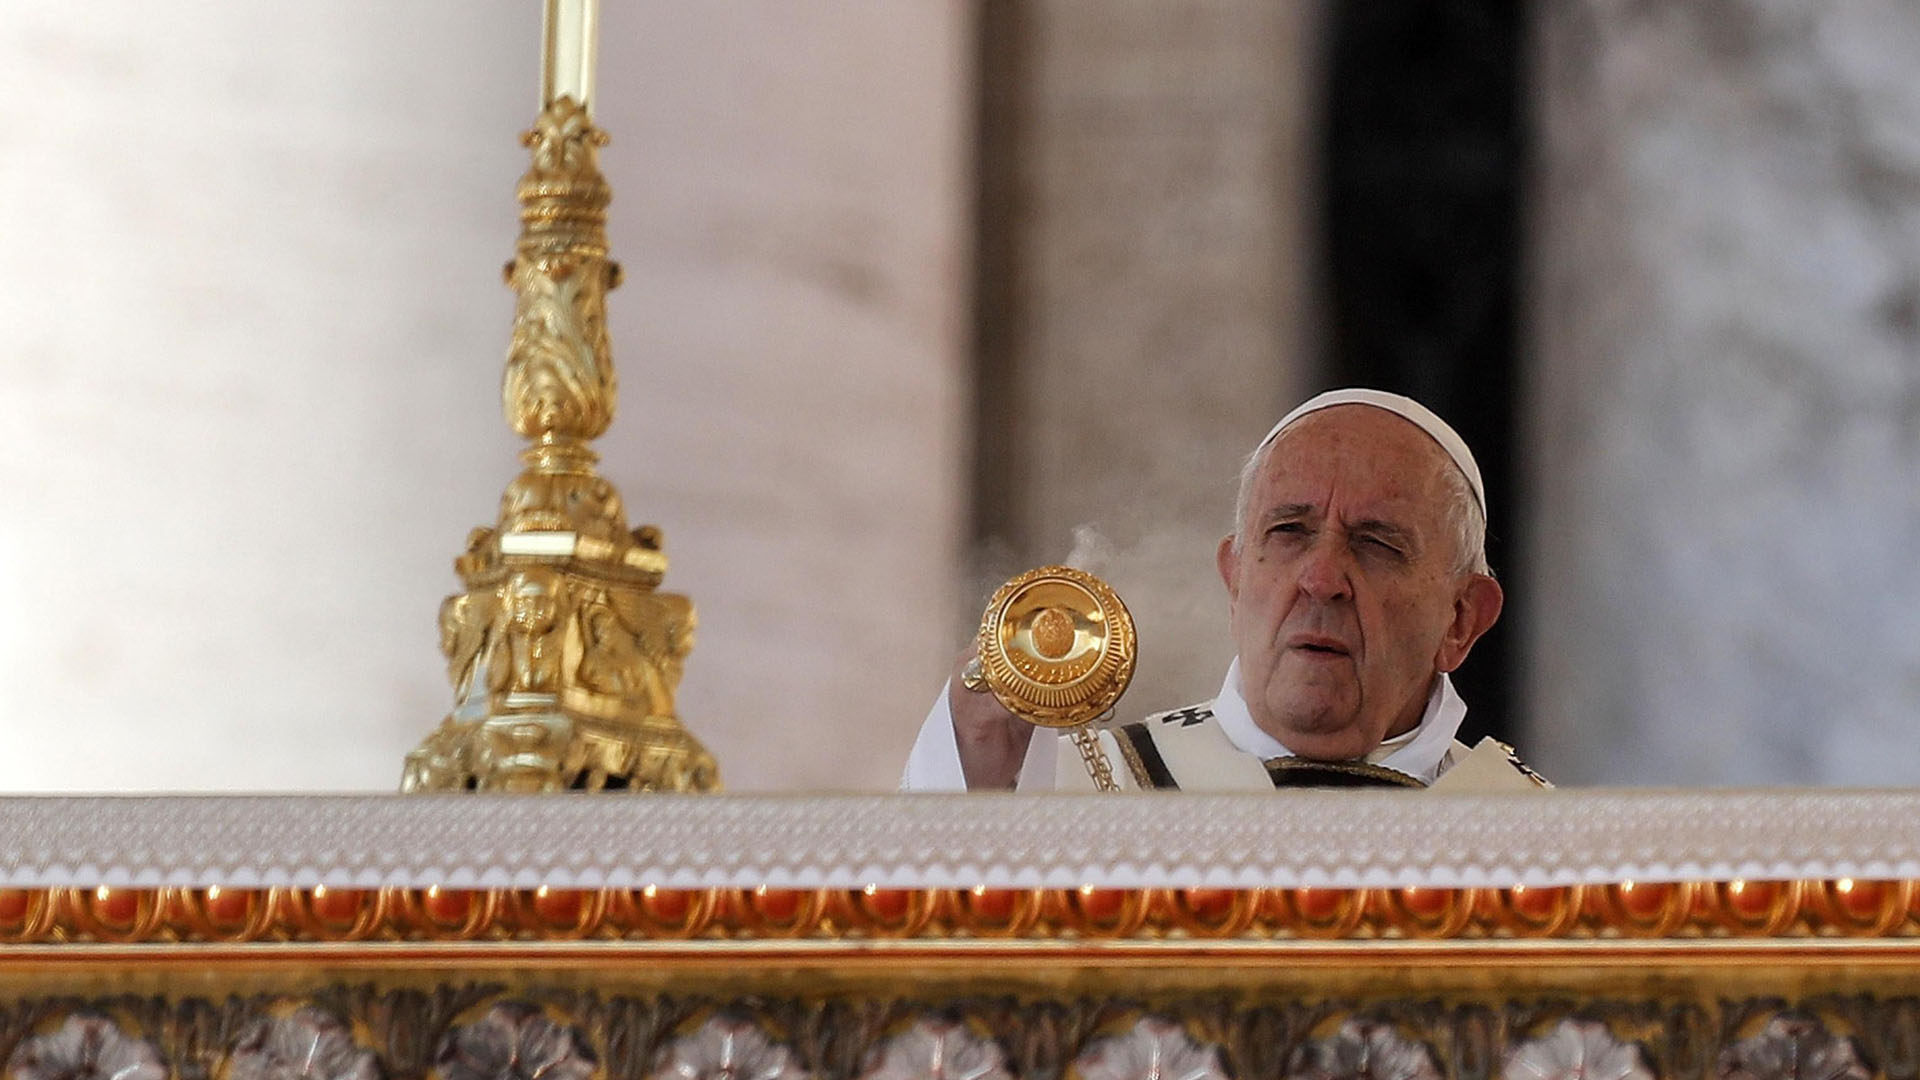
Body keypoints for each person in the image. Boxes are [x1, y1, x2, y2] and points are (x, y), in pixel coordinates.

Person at [900, 388, 1548, 792]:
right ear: (1235, 580)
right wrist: (967, 775)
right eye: (1289, 531)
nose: (1321, 579)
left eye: (1377, 544)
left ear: (1462, 619)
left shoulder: (1547, 851)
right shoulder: (1087, 791)